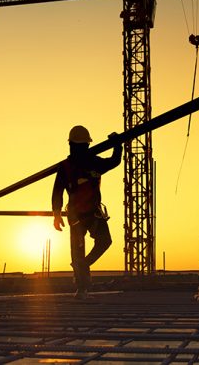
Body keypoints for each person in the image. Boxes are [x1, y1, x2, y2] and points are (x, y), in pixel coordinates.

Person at [52, 125, 122, 299]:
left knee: (98, 244)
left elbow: (57, 192)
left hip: (89, 214)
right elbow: (58, 191)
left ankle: (82, 267)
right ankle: (82, 285)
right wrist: (117, 144)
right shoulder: (74, 165)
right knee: (83, 249)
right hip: (79, 216)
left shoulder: (87, 162)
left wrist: (117, 144)